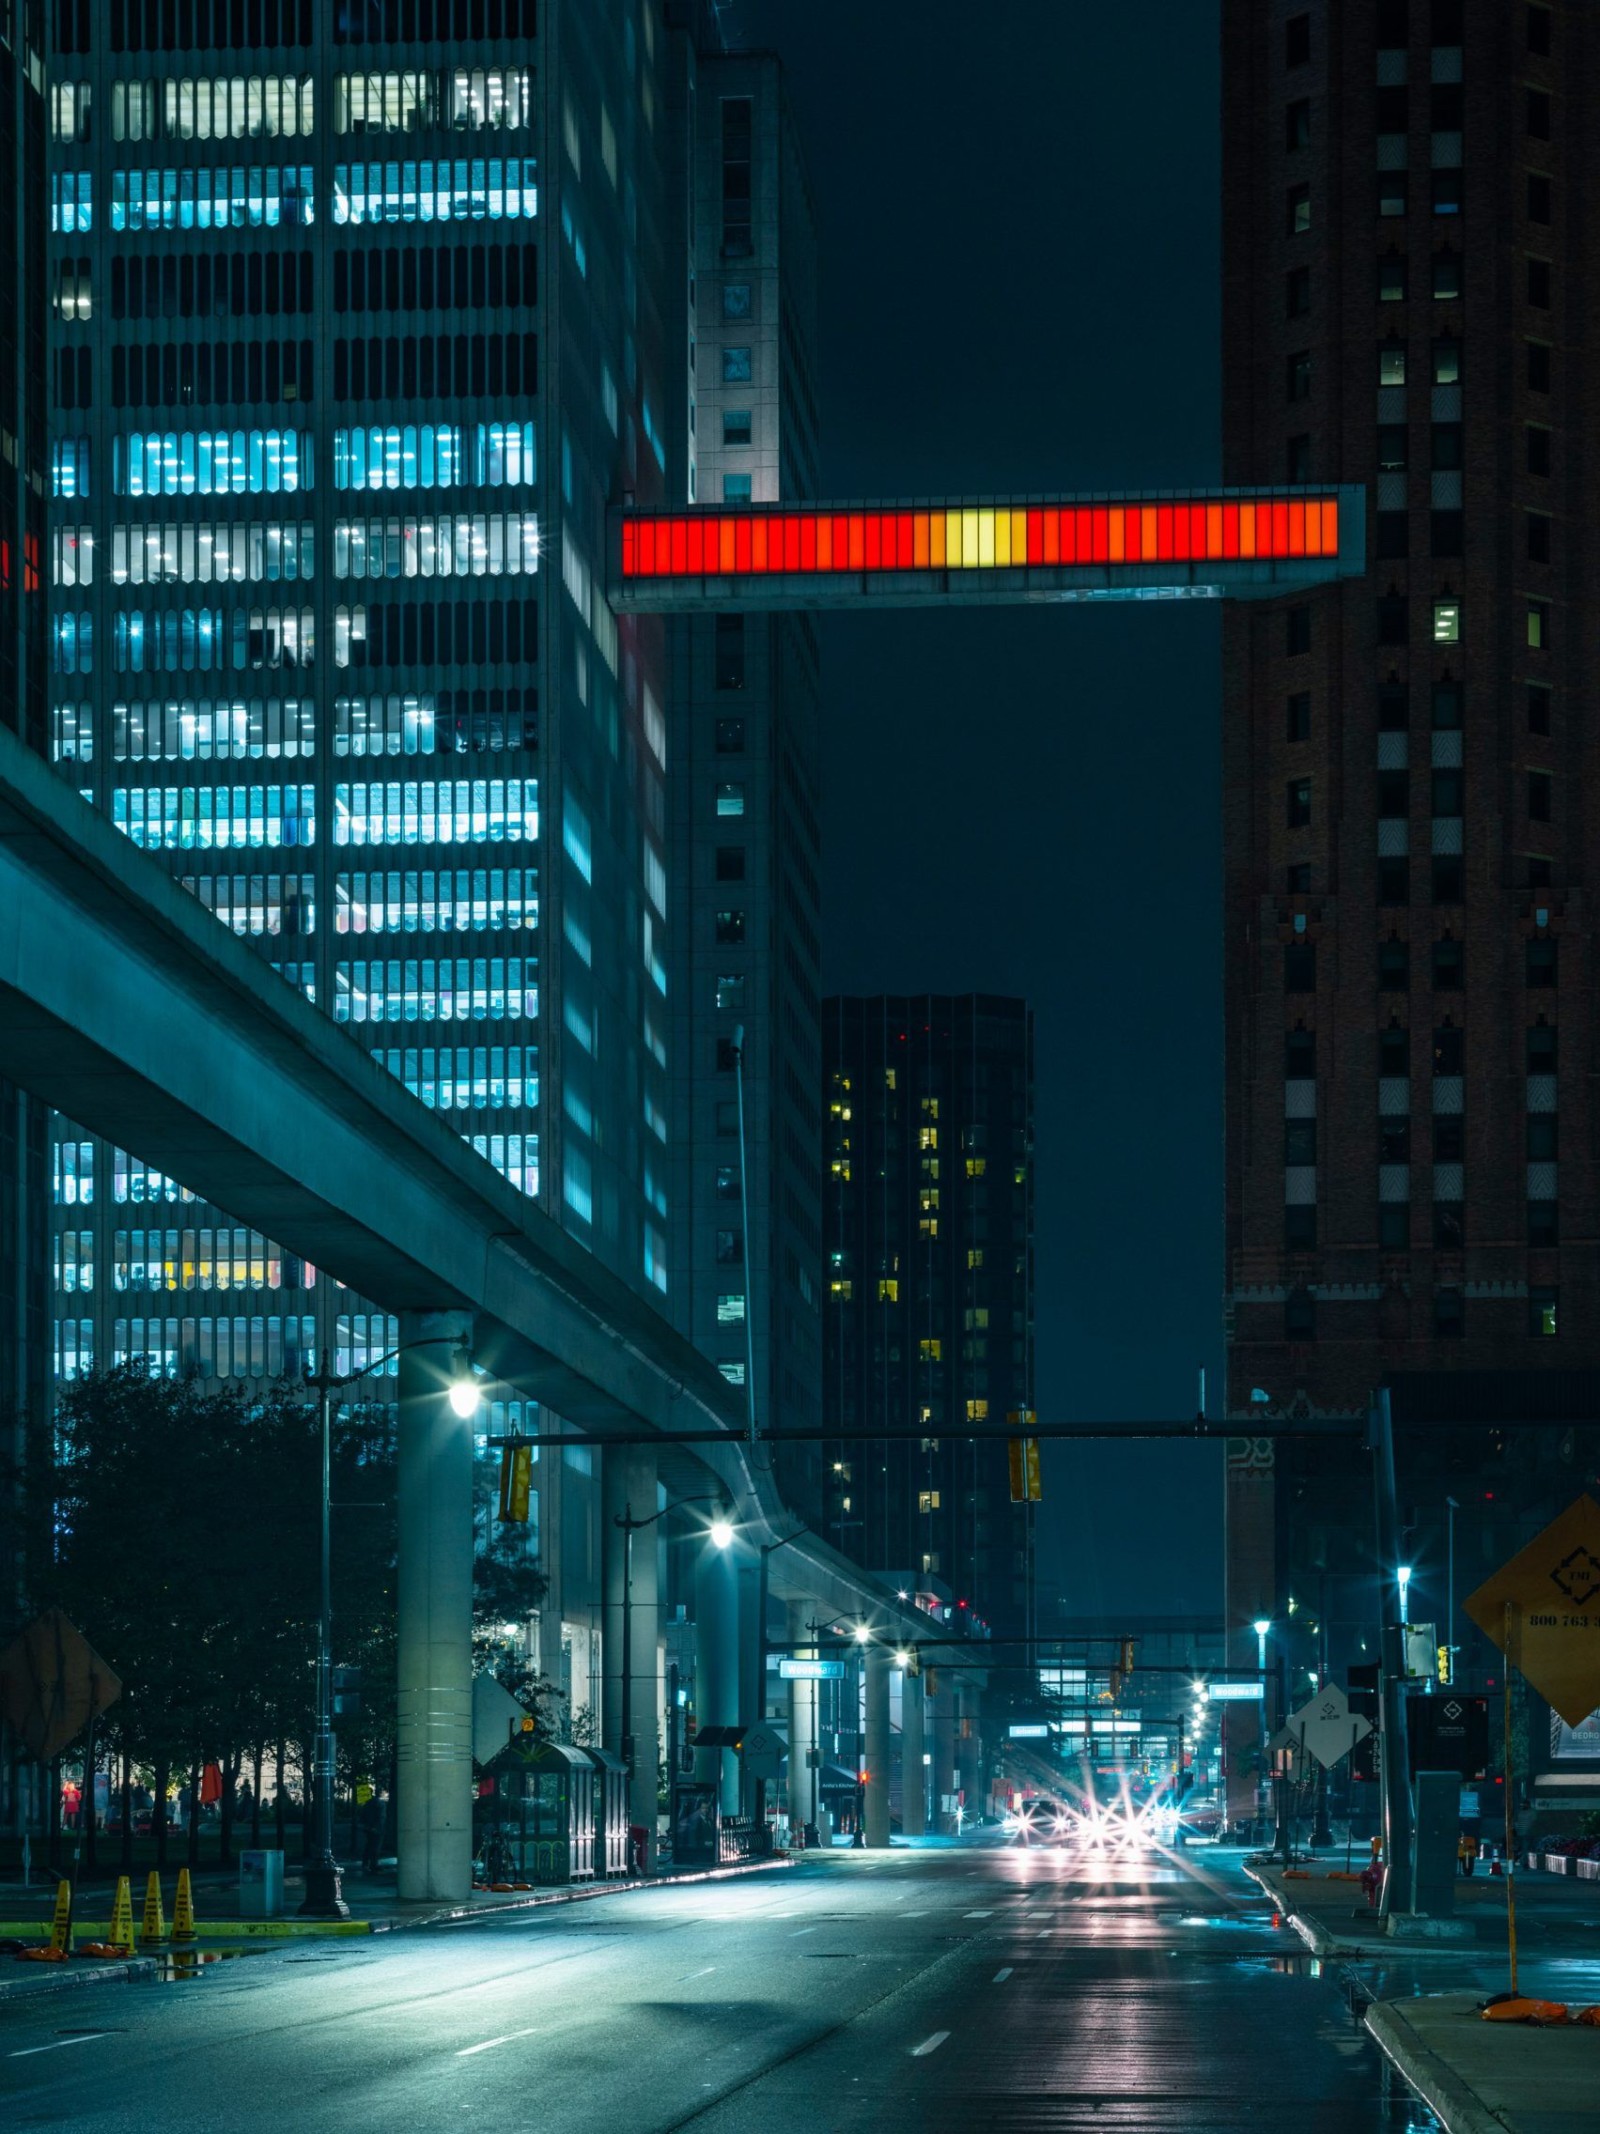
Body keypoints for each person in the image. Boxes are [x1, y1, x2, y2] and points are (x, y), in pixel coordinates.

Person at [359, 1791, 384, 1874]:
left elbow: (362, 1816)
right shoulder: (379, 1804)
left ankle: (366, 1864)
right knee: (375, 1847)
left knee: (369, 1846)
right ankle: (373, 1865)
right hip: (376, 1829)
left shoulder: (367, 1803)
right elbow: (380, 1817)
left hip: (369, 1828)